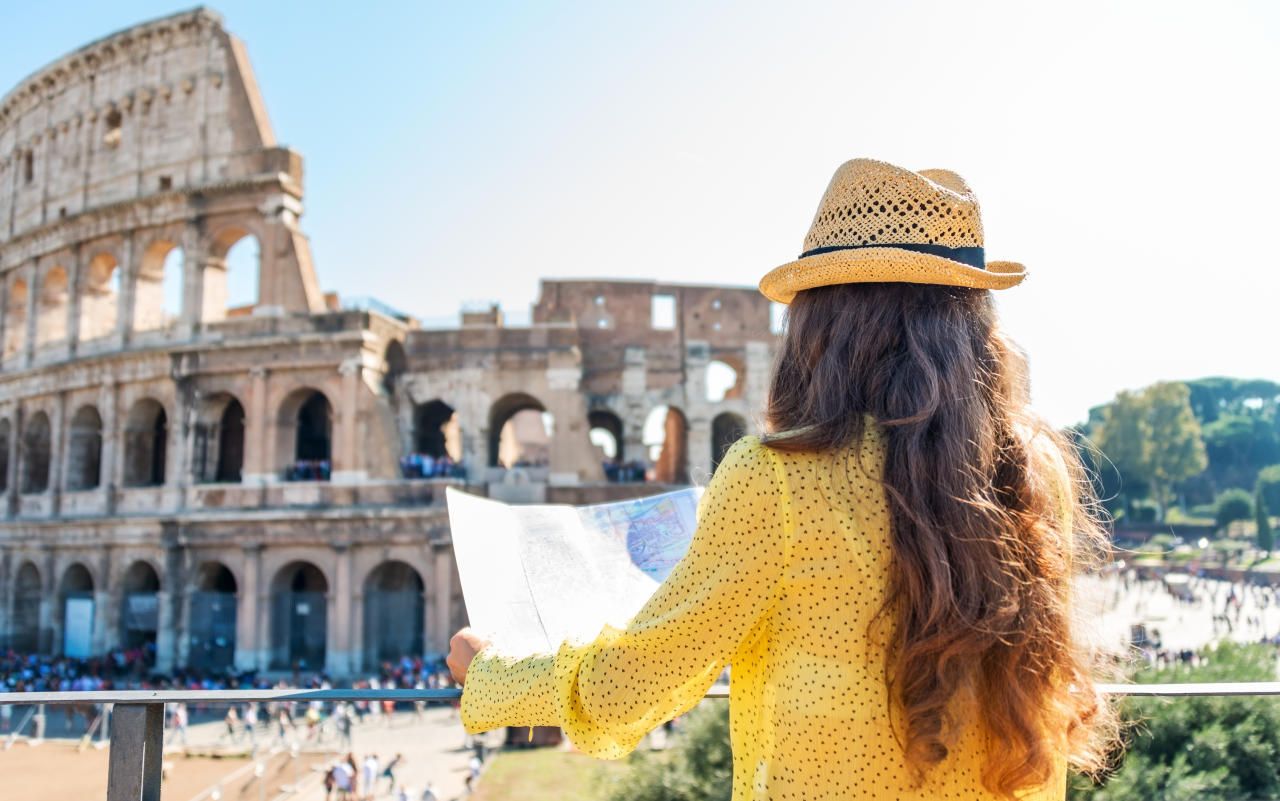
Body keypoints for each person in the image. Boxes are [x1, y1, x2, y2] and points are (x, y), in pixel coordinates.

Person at [446, 159, 1120, 800]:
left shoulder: (777, 479)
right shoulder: (1034, 470)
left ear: (824, 322)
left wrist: (494, 677)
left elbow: (637, 681)